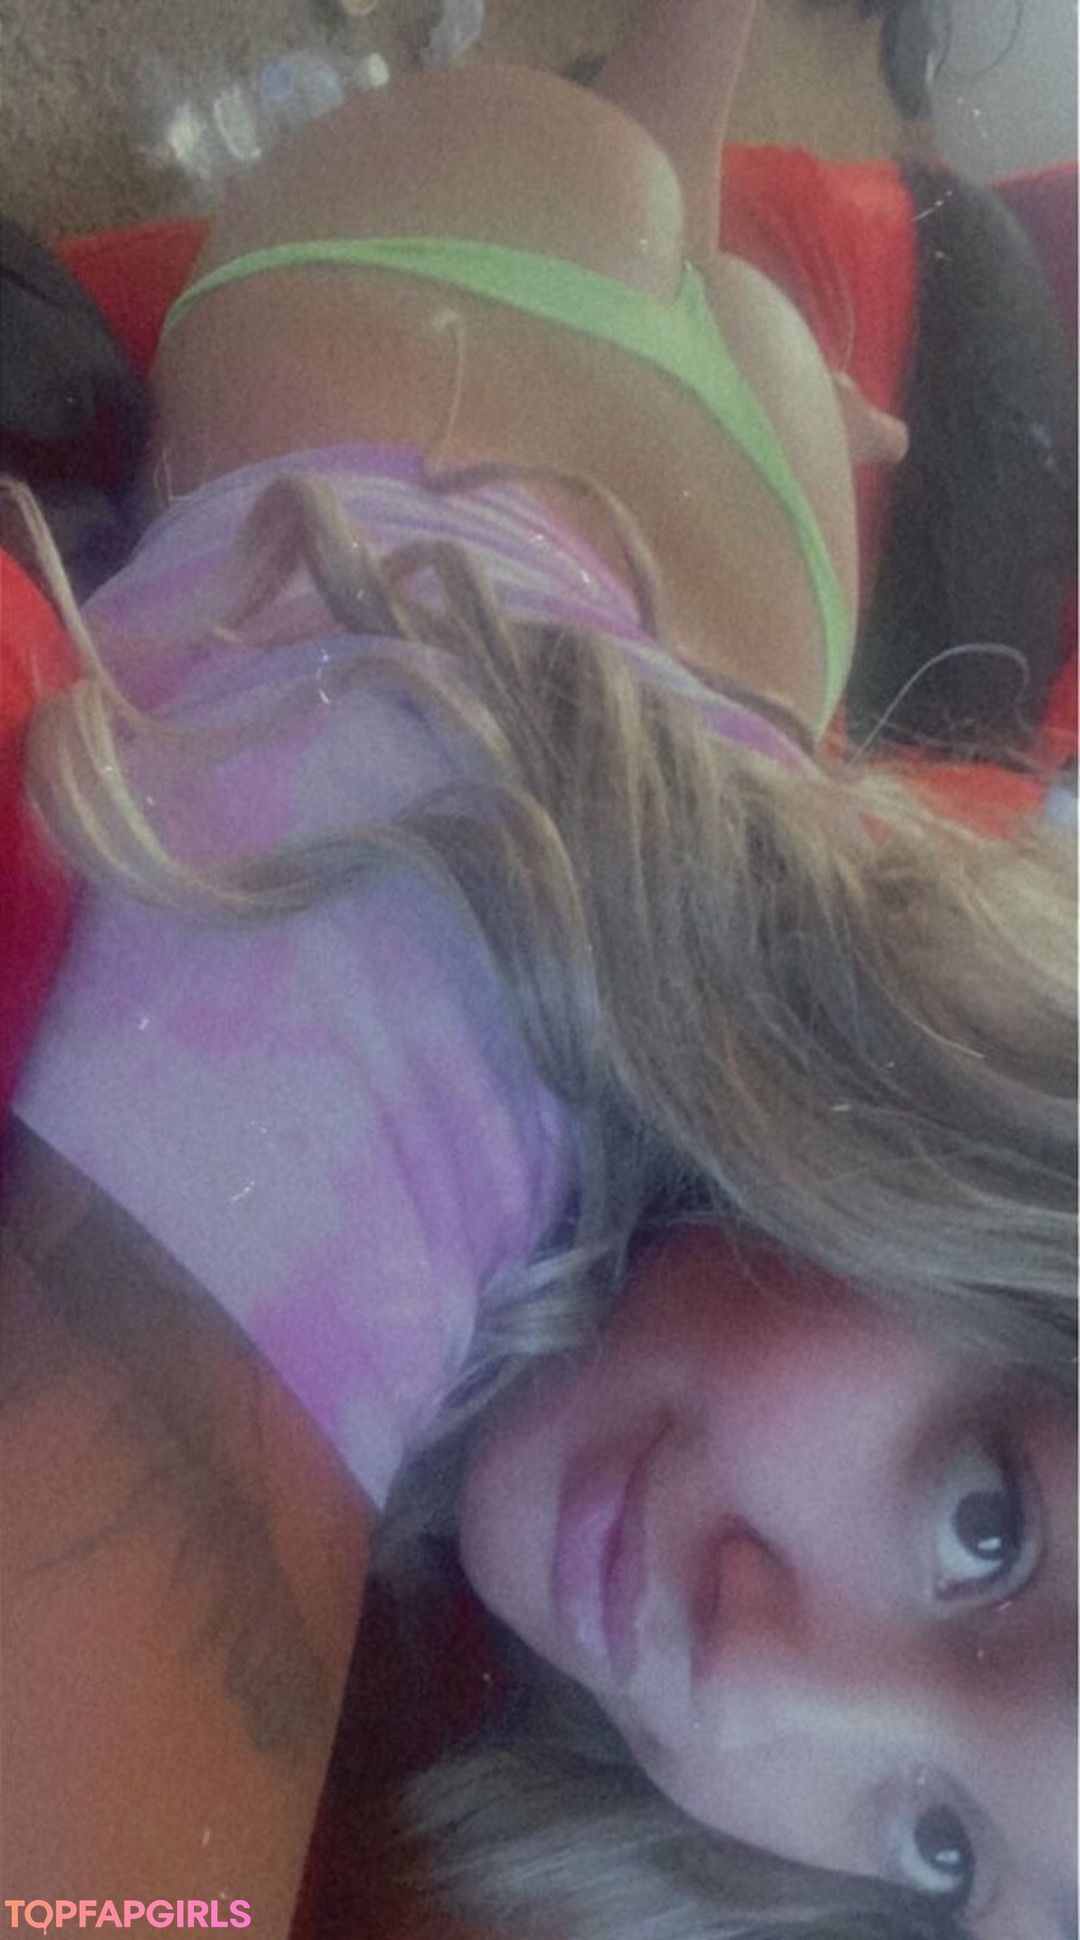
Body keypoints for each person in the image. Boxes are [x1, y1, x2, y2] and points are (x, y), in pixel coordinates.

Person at [0, 3, 1073, 1937]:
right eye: (987, 1525)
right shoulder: (435, 939)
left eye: (938, 1849)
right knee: (644, 171)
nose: (754, 1685)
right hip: (489, 249)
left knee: (752, 281)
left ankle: (740, 266)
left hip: (760, 592)